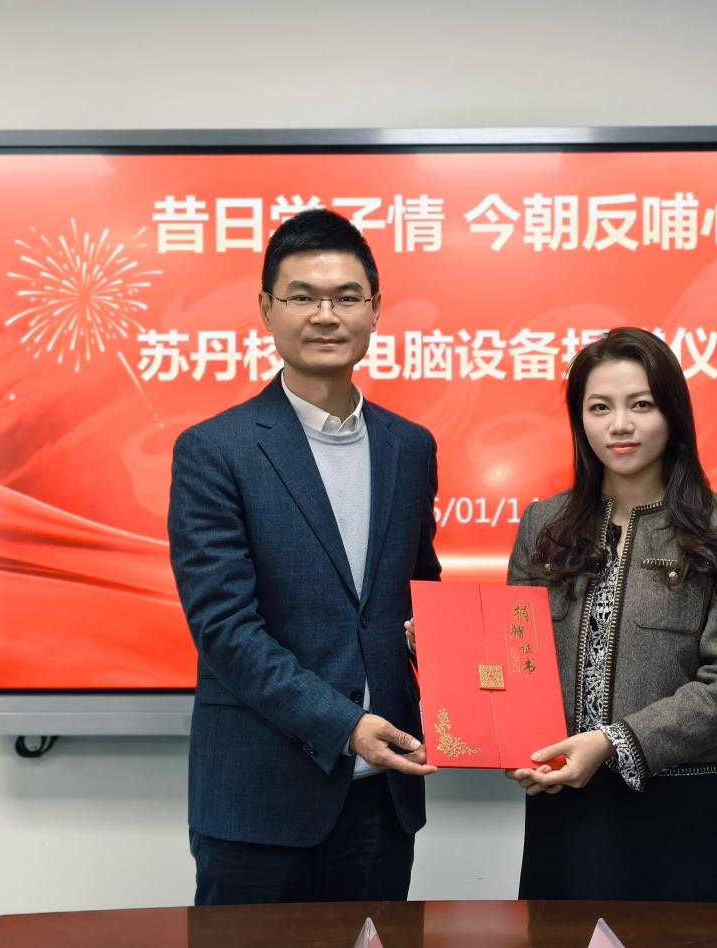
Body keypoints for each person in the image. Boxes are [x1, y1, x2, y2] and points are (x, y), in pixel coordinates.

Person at [167, 208, 440, 906]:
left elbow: (420, 590)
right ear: (267, 309)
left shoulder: (410, 447)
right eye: (302, 297)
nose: (326, 315)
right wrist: (344, 725)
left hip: (382, 799)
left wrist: (446, 649)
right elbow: (225, 628)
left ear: (375, 309)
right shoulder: (214, 450)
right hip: (259, 801)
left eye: (346, 297)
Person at [504, 326, 717, 902]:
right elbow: (515, 660)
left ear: (672, 413)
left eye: (641, 405)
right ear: (580, 420)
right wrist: (447, 654)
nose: (619, 425)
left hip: (679, 812)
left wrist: (612, 742)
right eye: (600, 407)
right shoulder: (543, 526)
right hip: (563, 804)